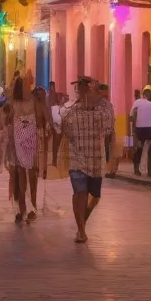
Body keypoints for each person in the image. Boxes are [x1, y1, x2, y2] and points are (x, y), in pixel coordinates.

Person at [59, 77, 112, 243]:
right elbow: (63, 131)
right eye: (80, 87)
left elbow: (109, 127)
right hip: (77, 159)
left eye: (87, 88)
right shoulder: (69, 110)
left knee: (95, 196)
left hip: (96, 159)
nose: (83, 91)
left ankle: (82, 220)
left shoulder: (103, 109)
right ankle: (81, 230)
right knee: (79, 192)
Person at [5, 70, 44, 223]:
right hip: (22, 145)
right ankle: (25, 208)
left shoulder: (29, 102)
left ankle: (27, 208)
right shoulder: (19, 104)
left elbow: (40, 121)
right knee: (25, 176)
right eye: (27, 84)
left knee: (25, 176)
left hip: (27, 144)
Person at [130, 87, 151, 177]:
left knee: (139, 149)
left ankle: (136, 169)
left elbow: (132, 116)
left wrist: (134, 130)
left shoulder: (137, 102)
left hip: (140, 129)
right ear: (148, 95)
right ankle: (150, 171)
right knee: (150, 150)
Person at [96, 82, 118, 178]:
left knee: (112, 152)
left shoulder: (109, 105)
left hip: (110, 131)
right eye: (103, 94)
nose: (105, 96)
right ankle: (105, 170)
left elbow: (112, 118)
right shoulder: (96, 105)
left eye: (106, 94)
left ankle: (111, 170)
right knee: (104, 153)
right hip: (101, 133)